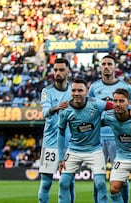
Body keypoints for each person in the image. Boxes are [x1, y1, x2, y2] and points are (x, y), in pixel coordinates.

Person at [57, 78, 112, 203]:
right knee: (63, 183)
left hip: (94, 150)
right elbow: (60, 133)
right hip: (74, 150)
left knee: (100, 184)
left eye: (80, 90)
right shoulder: (65, 109)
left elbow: (115, 106)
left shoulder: (96, 103)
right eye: (74, 90)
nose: (76, 93)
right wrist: (61, 158)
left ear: (86, 92)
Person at [89, 55, 131, 203]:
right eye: (104, 64)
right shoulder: (94, 87)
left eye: (109, 64)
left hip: (119, 138)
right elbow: (90, 109)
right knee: (98, 177)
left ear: (115, 67)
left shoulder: (126, 87)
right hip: (98, 138)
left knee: (122, 177)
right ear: (100, 67)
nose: (106, 66)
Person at [38, 58, 75, 203]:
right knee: (46, 183)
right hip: (50, 143)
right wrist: (57, 107)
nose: (58, 73)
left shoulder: (74, 91)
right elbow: (46, 112)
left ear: (68, 71)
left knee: (68, 184)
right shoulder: (47, 91)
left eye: (61, 70)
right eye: (56, 70)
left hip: (69, 144)